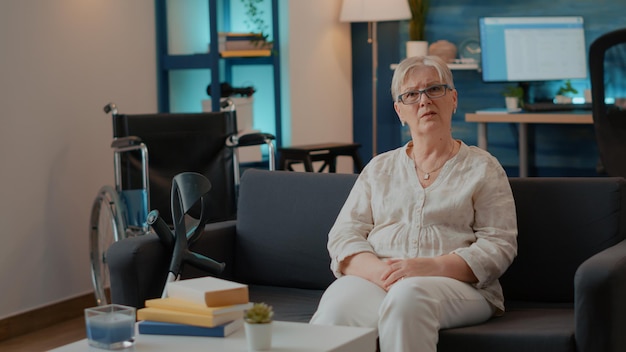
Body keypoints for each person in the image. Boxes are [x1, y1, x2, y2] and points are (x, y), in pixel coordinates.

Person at [309, 55, 518, 351]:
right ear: (399, 110)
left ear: (453, 99)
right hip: (378, 278)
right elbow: (344, 234)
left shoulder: (483, 168)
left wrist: (428, 267)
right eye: (411, 95)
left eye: (435, 89)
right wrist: (382, 273)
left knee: (409, 296)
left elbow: (499, 245)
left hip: (460, 287)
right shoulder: (379, 168)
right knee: (338, 305)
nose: (424, 101)